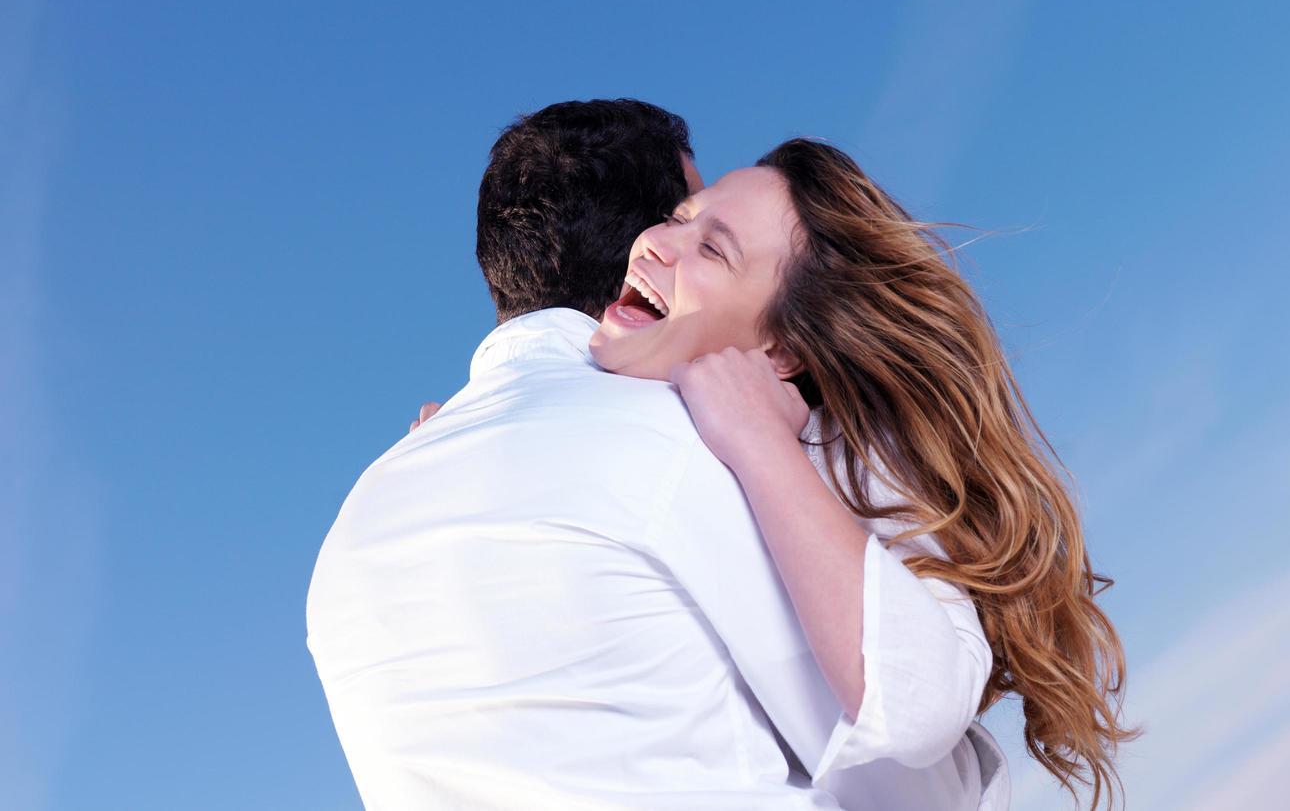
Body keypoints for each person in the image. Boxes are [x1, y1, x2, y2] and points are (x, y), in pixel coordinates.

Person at [307, 100, 1006, 810]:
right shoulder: (692, 451)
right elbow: (911, 773)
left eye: (713, 247)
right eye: (678, 217)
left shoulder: (360, 517)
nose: (660, 245)